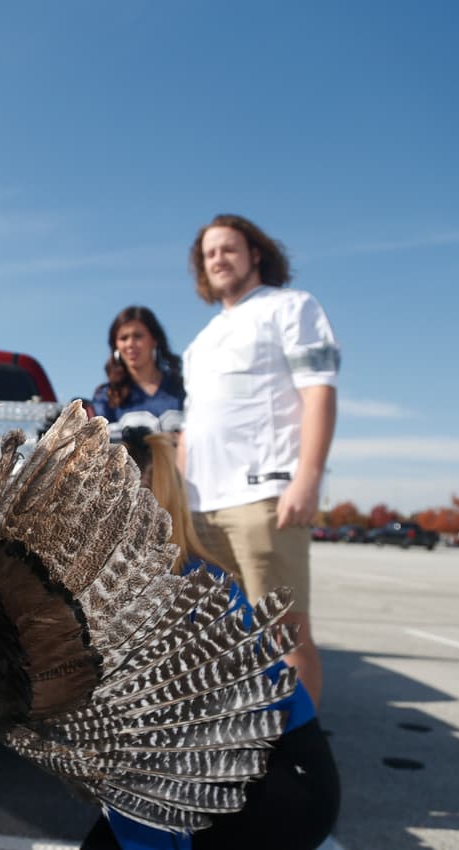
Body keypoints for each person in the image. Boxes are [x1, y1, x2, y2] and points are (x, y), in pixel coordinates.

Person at [82, 432, 340, 850]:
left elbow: (156, 762)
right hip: (257, 767)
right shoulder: (152, 576)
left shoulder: (170, 596)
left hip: (280, 785)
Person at [176, 214, 339, 708]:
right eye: (209, 254)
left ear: (256, 255)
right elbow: (192, 426)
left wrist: (306, 479)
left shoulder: (292, 308)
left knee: (283, 635)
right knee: (218, 638)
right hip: (201, 508)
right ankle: (240, 743)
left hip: (263, 498)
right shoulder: (201, 341)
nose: (219, 260)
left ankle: (300, 753)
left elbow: (319, 394)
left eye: (228, 249)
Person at [90, 306, 185, 437]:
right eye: (123, 338)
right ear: (115, 345)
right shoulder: (107, 397)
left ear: (154, 340)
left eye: (138, 336)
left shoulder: (183, 389)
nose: (130, 344)